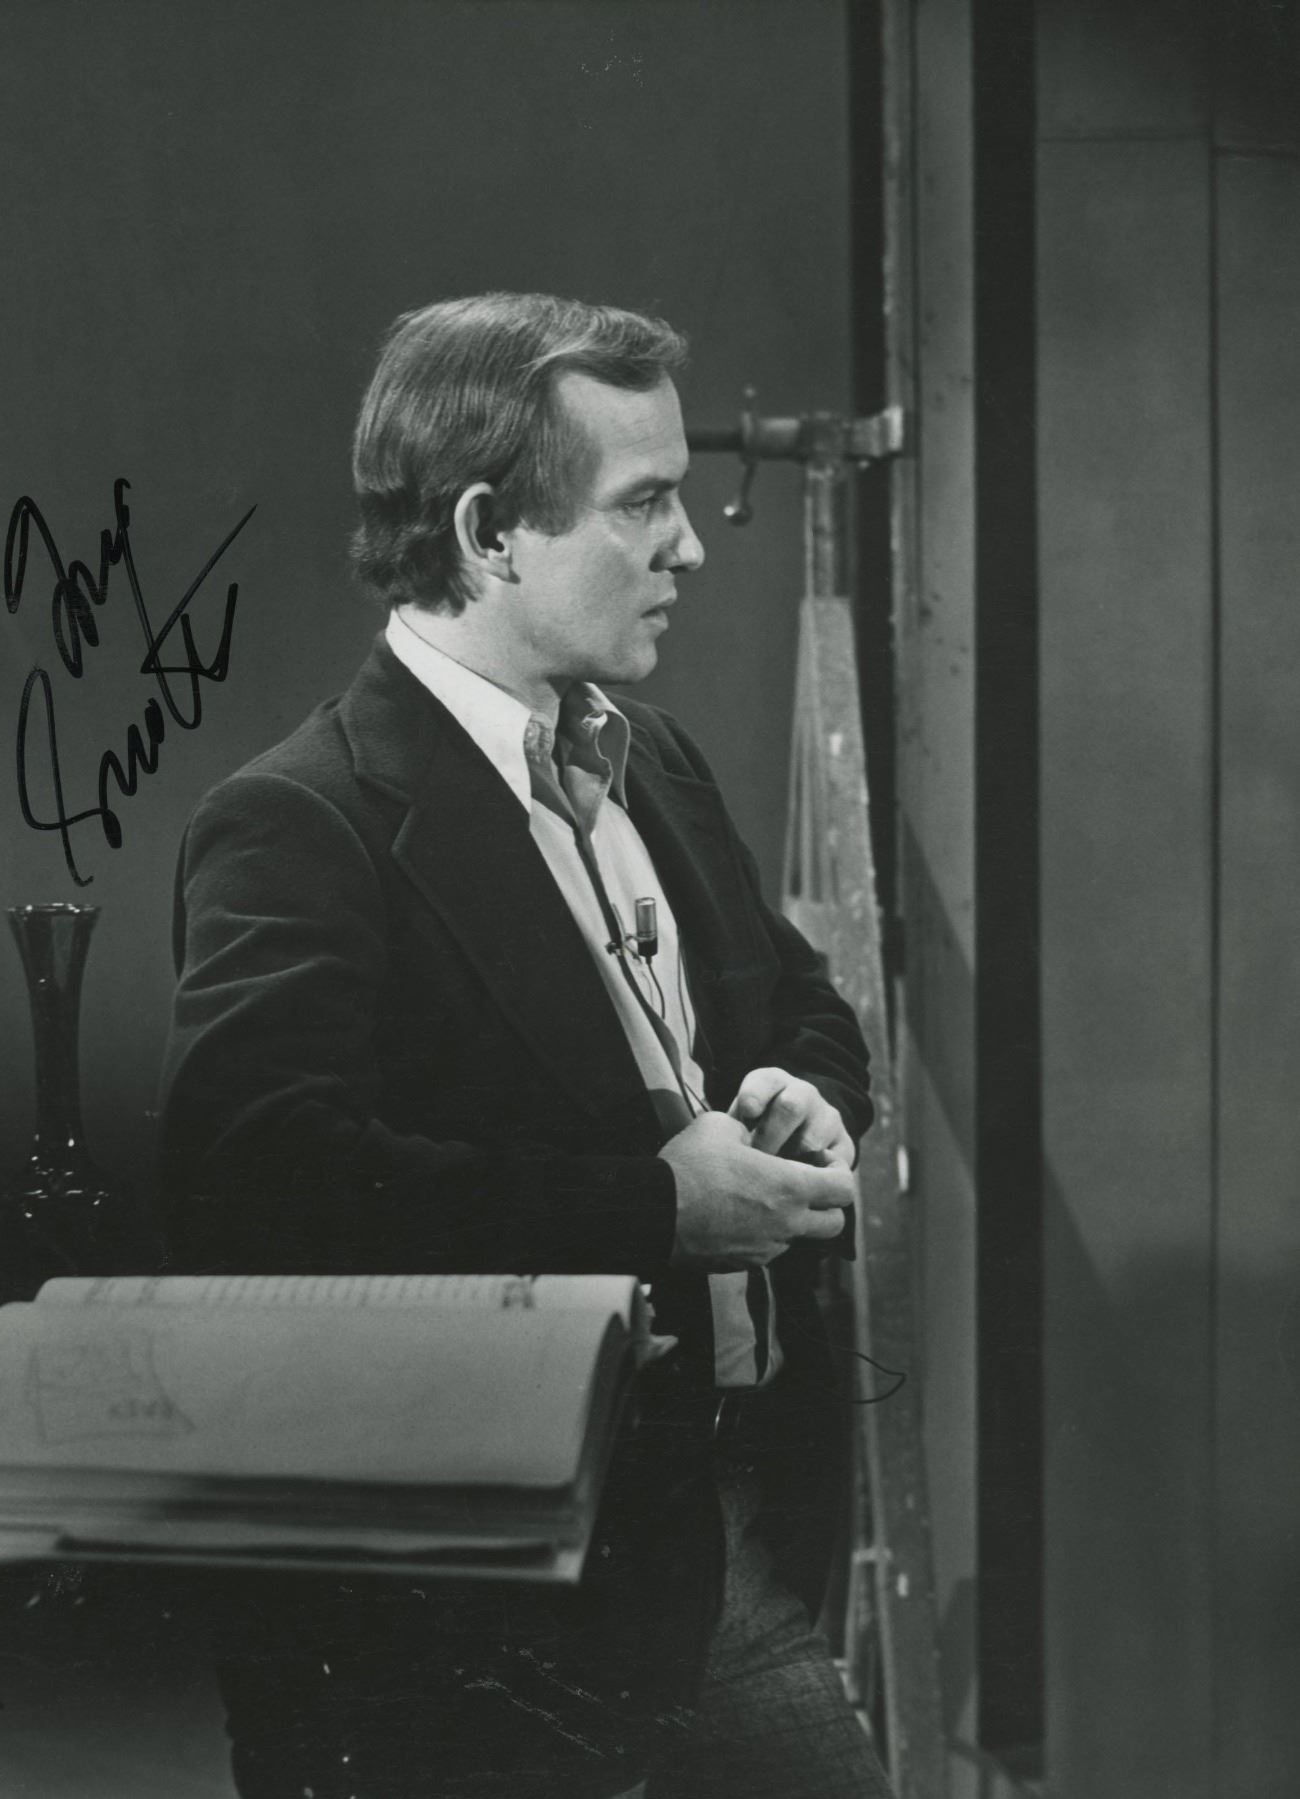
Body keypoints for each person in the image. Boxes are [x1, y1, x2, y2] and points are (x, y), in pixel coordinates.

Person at [158, 293, 894, 1799]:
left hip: (714, 1546)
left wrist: (805, 1099)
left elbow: (806, 1006)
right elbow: (254, 1178)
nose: (689, 547)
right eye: (644, 502)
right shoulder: (300, 820)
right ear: (491, 532)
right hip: (465, 1620)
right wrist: (658, 1209)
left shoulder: (653, 758)